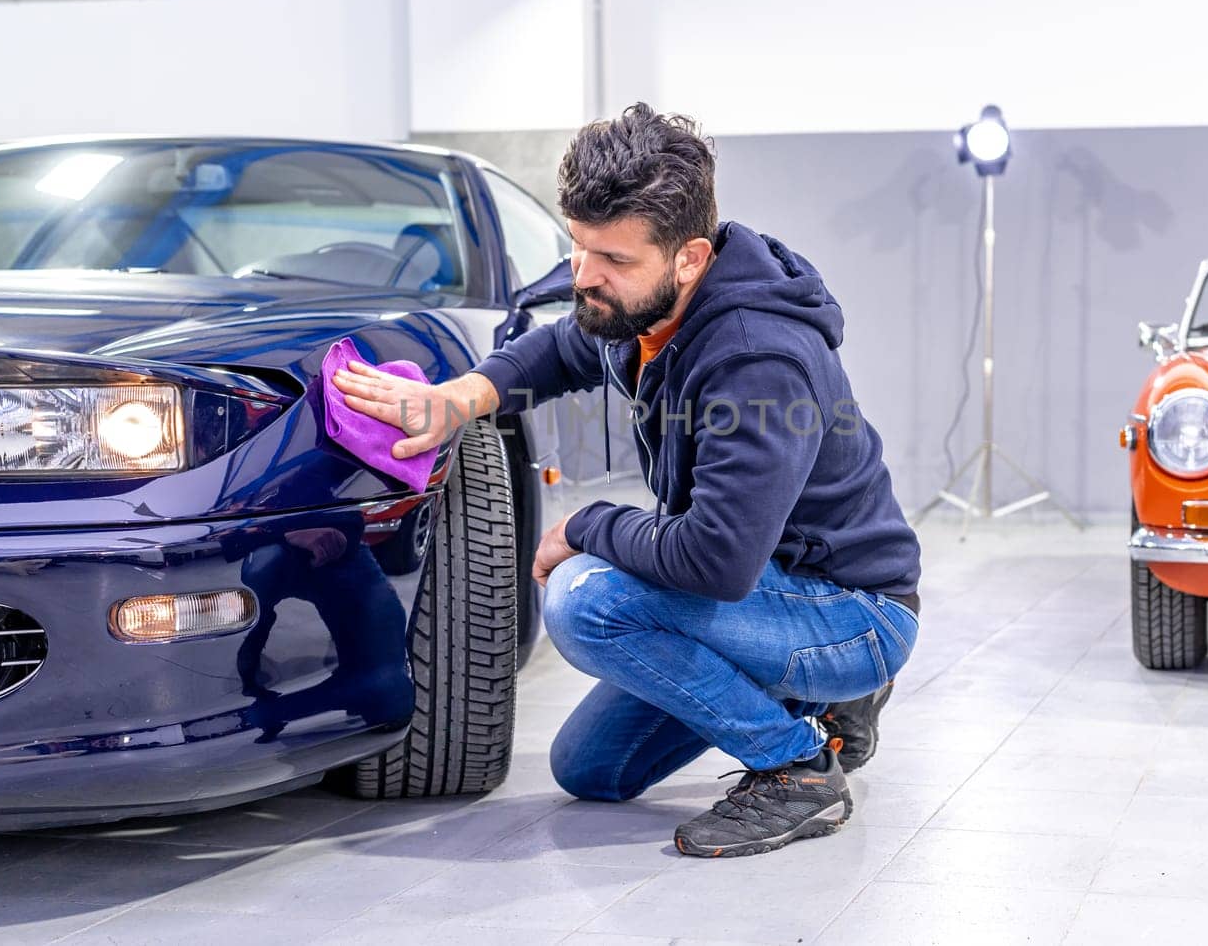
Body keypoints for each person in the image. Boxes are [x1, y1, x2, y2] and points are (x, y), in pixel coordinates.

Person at [331, 102, 921, 858]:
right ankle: (816, 698)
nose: (586, 276)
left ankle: (798, 768)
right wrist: (458, 400)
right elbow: (563, 348)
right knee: (591, 769)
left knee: (584, 601)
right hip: (766, 590)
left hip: (852, 609)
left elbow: (716, 562)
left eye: (612, 260)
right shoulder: (646, 310)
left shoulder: (756, 359)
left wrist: (583, 526)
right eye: (579, 248)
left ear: (689, 257)